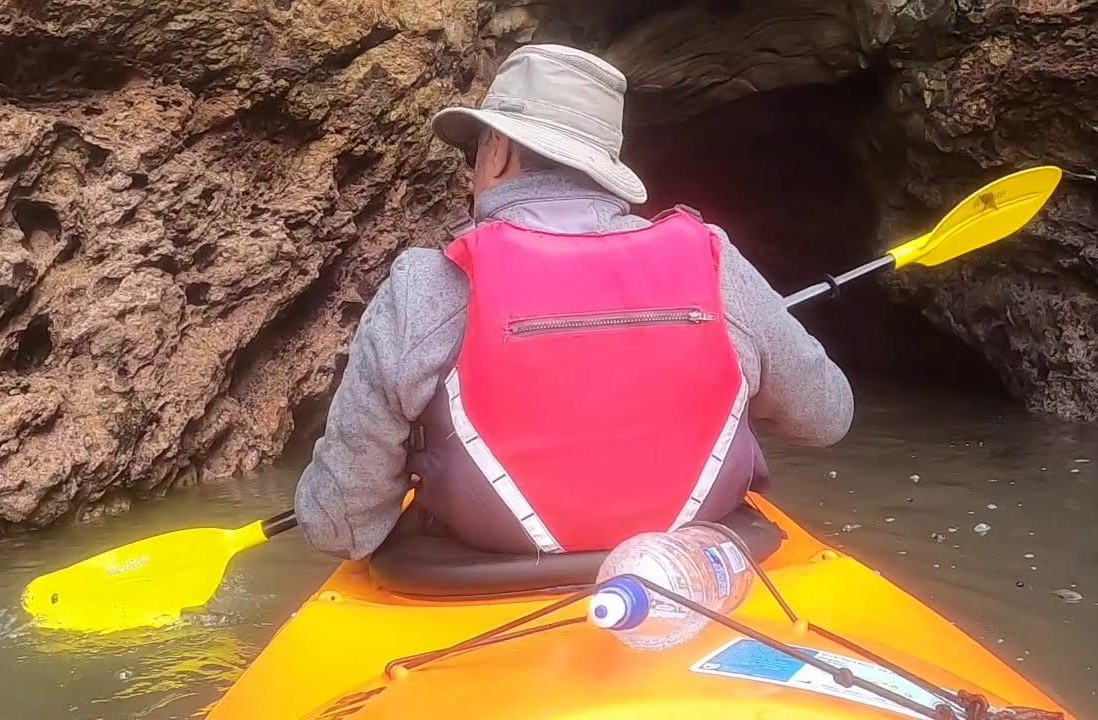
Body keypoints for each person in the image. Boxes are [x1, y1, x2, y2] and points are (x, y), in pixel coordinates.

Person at [294, 43, 853, 560]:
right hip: (683, 573)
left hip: (482, 576)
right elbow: (826, 418)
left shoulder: (425, 284)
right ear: (603, 168)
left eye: (474, 150)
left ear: (497, 150)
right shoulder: (714, 262)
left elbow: (340, 525)